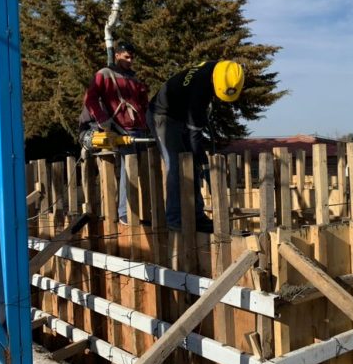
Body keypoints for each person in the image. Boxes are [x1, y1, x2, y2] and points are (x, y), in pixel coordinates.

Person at [147, 60, 244, 233]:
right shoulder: (199, 89)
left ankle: (197, 217)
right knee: (177, 166)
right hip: (162, 116)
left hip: (179, 116)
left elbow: (195, 135)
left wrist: (200, 163)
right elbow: (194, 137)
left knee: (191, 165)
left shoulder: (215, 69)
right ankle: (175, 219)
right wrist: (204, 164)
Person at [80, 42, 149, 225]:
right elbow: (90, 98)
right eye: (126, 57)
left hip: (138, 129)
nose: (130, 60)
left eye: (132, 57)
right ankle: (124, 213)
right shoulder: (104, 74)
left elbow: (144, 104)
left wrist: (147, 123)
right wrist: (102, 119)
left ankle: (140, 211)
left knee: (139, 170)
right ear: (117, 55)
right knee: (128, 168)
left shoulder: (135, 79)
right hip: (119, 128)